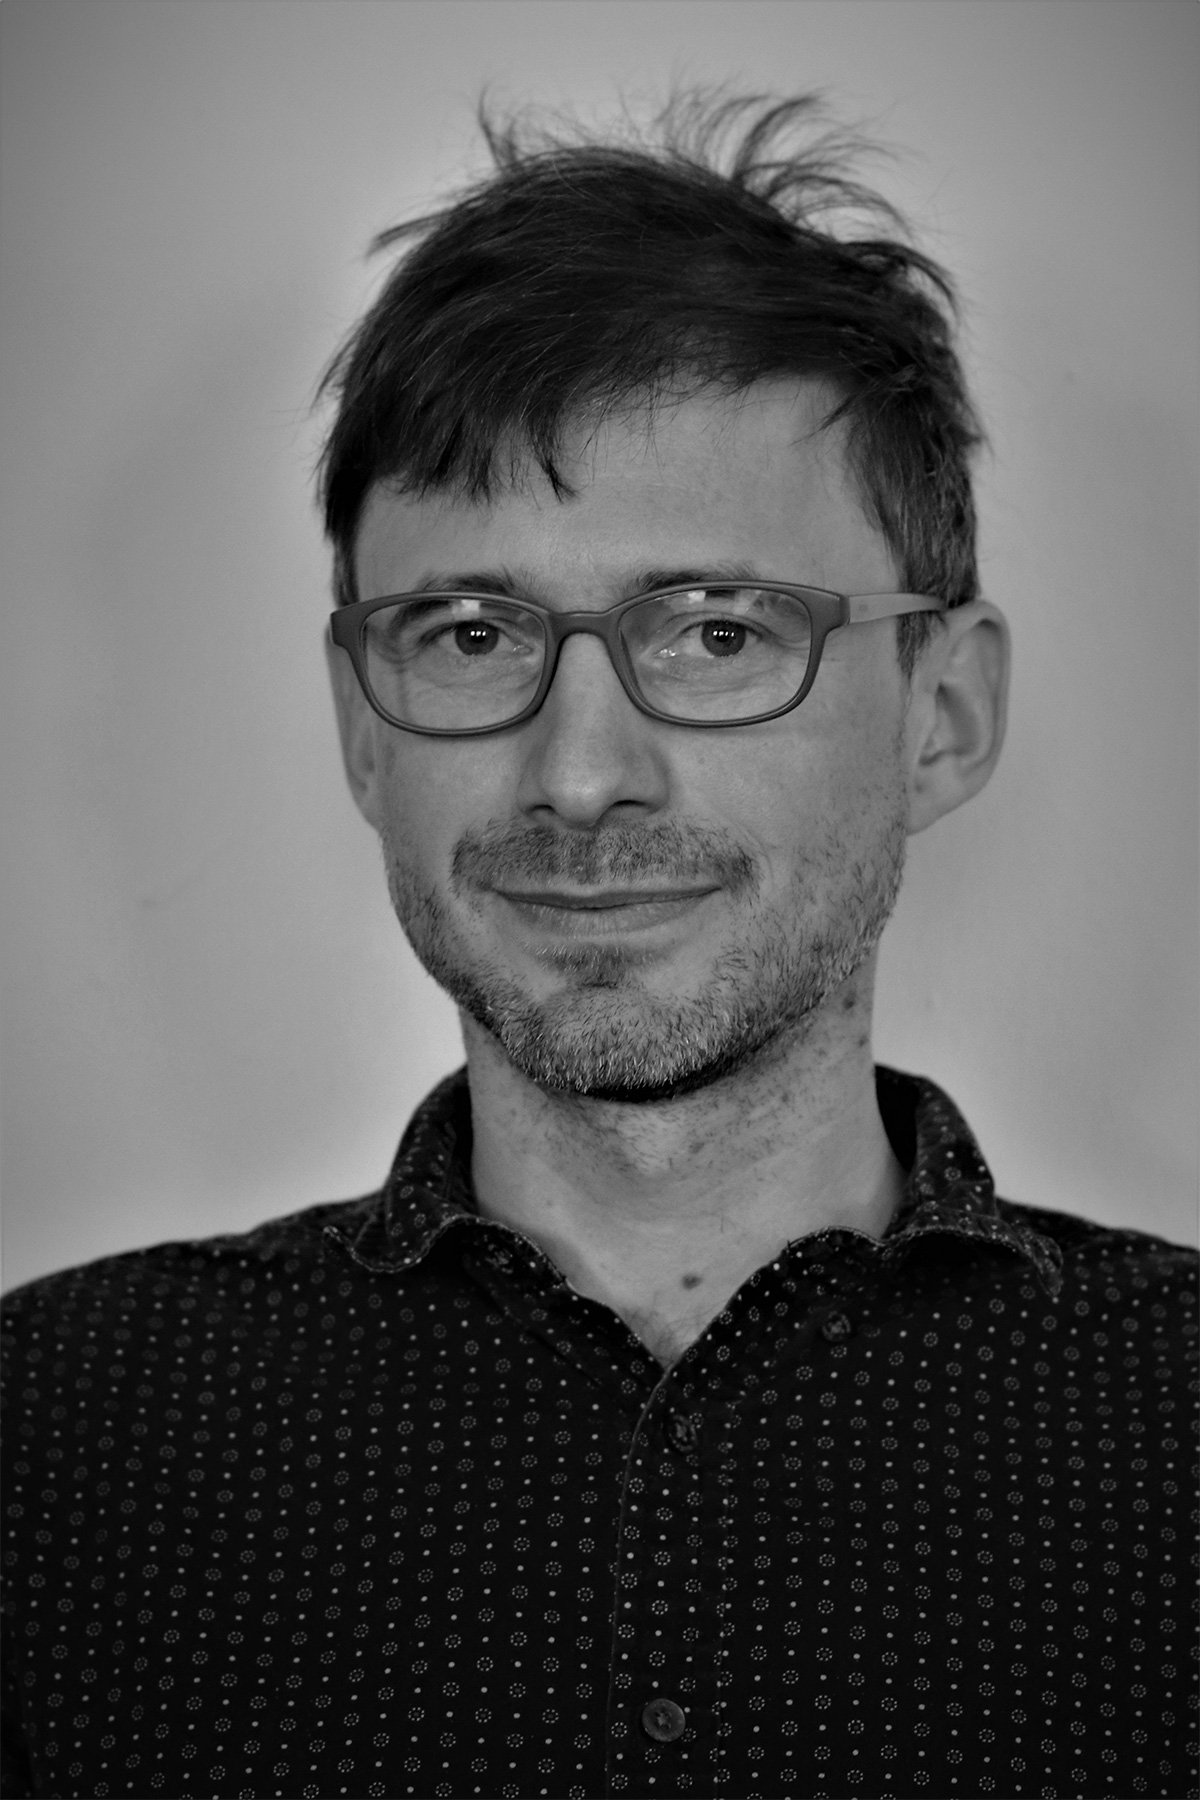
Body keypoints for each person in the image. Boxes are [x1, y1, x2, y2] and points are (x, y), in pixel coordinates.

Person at [2, 93, 1195, 1800]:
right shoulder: (52, 1438)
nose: (577, 774)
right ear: (362, 726)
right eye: (469, 631)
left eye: (716, 631)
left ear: (942, 714)